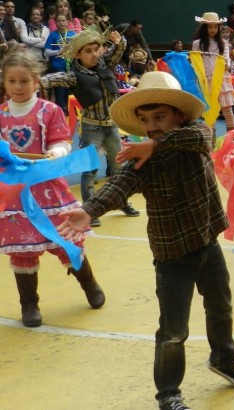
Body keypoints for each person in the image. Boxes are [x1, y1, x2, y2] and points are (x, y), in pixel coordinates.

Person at [56, 71, 234, 410]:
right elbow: (119, 185)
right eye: (145, 120)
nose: (152, 126)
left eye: (160, 117)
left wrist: (157, 143)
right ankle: (168, 394)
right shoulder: (141, 158)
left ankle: (224, 359)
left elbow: (202, 136)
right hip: (172, 255)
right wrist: (89, 210)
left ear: (179, 115)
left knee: (221, 307)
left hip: (207, 244)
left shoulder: (194, 135)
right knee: (173, 330)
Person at [1, 50, 105, 328]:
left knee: (66, 242)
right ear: (5, 82)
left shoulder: (49, 111)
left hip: (49, 190)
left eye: (24, 81)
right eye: (12, 81)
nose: (18, 87)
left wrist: (57, 151)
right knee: (22, 249)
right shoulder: (1, 114)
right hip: (15, 196)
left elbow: (61, 139)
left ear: (37, 82)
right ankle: (29, 304)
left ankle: (89, 283)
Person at [41, 26, 141, 226]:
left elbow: (118, 49)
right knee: (90, 170)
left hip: (111, 126)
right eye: (88, 51)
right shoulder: (73, 75)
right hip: (91, 128)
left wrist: (118, 40)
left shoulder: (106, 63)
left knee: (119, 167)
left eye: (97, 49)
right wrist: (37, 80)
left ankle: (121, 201)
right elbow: (54, 79)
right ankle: (90, 210)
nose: (94, 54)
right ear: (78, 55)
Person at [192, 12, 234, 136]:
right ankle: (210, 140)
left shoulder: (223, 43)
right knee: (209, 110)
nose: (212, 30)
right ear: (204, 27)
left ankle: (233, 139)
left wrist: (227, 65)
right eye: (209, 26)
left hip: (221, 80)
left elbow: (227, 60)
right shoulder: (197, 43)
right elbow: (195, 62)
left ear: (219, 28)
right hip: (205, 81)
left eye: (215, 27)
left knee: (227, 109)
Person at [43, 14, 75, 112]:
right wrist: (58, 52)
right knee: (60, 91)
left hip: (71, 66)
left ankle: (71, 112)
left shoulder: (73, 34)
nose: (61, 23)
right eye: (59, 21)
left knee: (69, 91)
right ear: (56, 23)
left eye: (63, 20)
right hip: (58, 66)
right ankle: (61, 112)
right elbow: (47, 51)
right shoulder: (53, 35)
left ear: (67, 22)